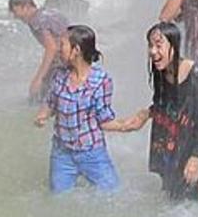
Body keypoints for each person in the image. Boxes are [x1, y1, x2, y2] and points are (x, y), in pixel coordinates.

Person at [110, 22, 198, 200]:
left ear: (173, 46)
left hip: (192, 147)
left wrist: (196, 157)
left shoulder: (194, 75)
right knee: (171, 193)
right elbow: (163, 102)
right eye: (150, 46)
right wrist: (146, 114)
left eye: (159, 45)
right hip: (171, 141)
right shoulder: (161, 71)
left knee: (189, 199)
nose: (153, 51)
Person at [34, 24, 131, 192]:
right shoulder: (59, 75)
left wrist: (126, 125)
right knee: (58, 200)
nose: (58, 48)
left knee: (114, 195)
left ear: (76, 50)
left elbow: (104, 118)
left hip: (92, 153)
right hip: (62, 153)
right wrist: (43, 114)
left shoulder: (101, 80)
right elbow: (50, 103)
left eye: (62, 44)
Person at [8, 0, 69, 100]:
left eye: (16, 12)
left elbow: (52, 48)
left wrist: (38, 79)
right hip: (73, 56)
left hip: (66, 59)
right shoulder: (46, 13)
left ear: (26, 6)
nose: (15, 17)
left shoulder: (38, 21)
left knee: (41, 96)